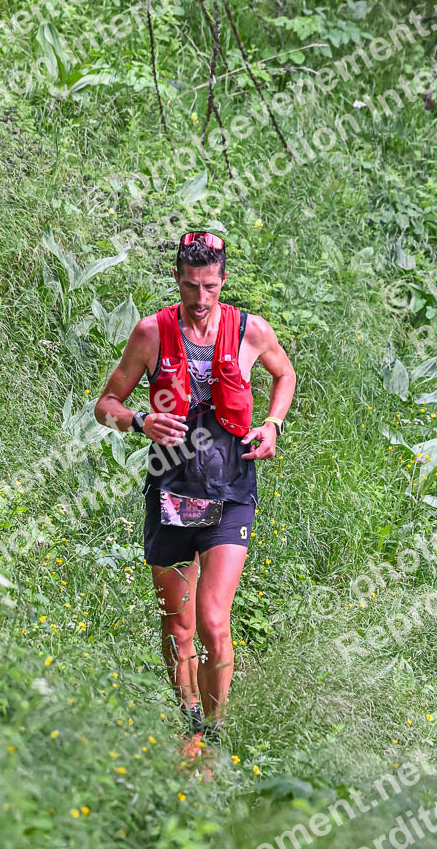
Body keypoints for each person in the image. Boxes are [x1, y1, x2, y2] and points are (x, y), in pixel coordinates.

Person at [94, 231, 296, 751]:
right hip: (172, 487)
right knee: (178, 625)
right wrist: (140, 421)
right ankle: (188, 720)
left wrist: (272, 424)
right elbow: (105, 406)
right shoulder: (152, 332)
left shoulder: (251, 331)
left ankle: (214, 735)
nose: (200, 298)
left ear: (223, 280)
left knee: (211, 620)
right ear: (177, 280)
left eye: (210, 286)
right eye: (190, 286)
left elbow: (285, 375)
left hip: (230, 487)